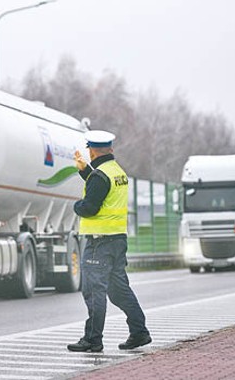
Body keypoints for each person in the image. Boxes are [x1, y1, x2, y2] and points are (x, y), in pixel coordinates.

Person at [67, 130, 152, 353]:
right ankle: (139, 332)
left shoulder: (100, 176)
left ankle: (93, 339)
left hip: (99, 244)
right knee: (119, 291)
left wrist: (76, 206)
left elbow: (90, 207)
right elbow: (102, 188)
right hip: (117, 241)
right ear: (110, 149)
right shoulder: (117, 172)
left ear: (92, 151)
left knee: (94, 291)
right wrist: (85, 171)